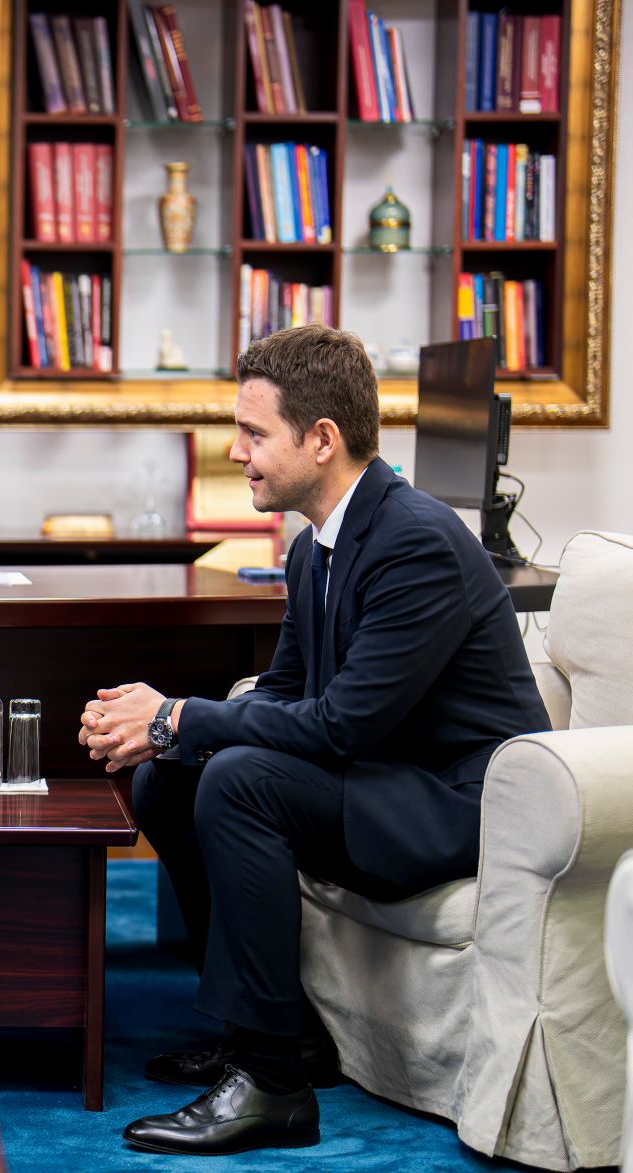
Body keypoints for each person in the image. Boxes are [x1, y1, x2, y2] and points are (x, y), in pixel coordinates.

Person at [77, 324, 546, 1154]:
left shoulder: (417, 541)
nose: (236, 451)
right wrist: (167, 734)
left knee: (236, 777)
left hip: (457, 806)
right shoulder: (311, 551)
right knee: (173, 777)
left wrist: (177, 714)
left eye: (253, 433)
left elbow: (342, 723)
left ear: (321, 439)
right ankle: (271, 1033)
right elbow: (287, 694)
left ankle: (274, 1085)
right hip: (384, 778)